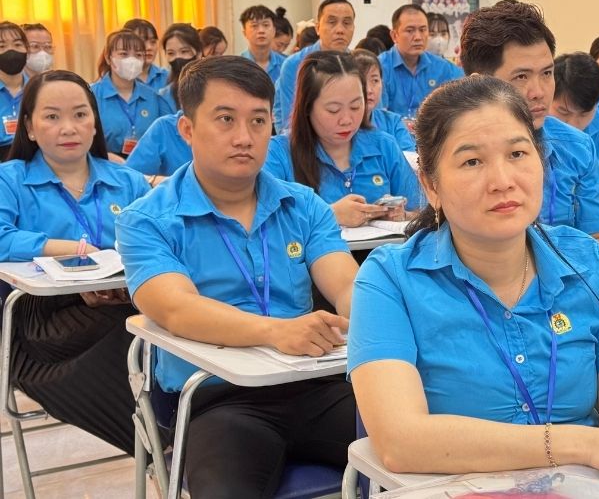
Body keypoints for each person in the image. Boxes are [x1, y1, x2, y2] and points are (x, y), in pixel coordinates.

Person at [348, 76, 599, 498]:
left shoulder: (589, 266)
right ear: (431, 186)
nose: (502, 180)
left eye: (518, 153)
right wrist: (580, 443)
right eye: (472, 162)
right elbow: (401, 442)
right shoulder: (389, 279)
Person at [115, 56, 358, 498]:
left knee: (422, 456)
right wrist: (275, 331)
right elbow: (174, 307)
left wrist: (367, 319)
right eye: (225, 119)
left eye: (258, 121)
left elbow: (345, 285)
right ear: (187, 130)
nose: (244, 138)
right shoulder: (147, 219)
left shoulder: (302, 205)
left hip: (312, 384)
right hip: (218, 399)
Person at [0, 69, 152, 455]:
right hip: (40, 322)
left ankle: (181, 431)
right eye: (52, 117)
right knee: (138, 335)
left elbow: (158, 241)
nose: (68, 127)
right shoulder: (10, 179)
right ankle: (159, 443)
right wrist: (69, 249)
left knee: (164, 327)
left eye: (80, 115)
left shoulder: (127, 181)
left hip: (123, 299)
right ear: (30, 127)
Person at [459, 0, 599, 261]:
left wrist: (542, 262)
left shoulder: (576, 147)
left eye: (546, 73)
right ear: (478, 84)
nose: (539, 92)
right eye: (521, 77)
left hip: (566, 291)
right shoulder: (451, 155)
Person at [264, 51, 421, 228]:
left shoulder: (384, 146)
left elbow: (422, 211)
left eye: (355, 106)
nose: (346, 120)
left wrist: (402, 215)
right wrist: (330, 214)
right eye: (333, 110)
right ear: (307, 107)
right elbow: (263, 220)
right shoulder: (279, 153)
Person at [126, 24, 202, 180]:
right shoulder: (164, 101)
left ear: (199, 53)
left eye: (184, 51)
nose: (178, 58)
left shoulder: (217, 91)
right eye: (171, 53)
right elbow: (134, 172)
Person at [275, 0, 356, 132]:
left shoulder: (359, 64)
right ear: (318, 28)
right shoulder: (294, 65)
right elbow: (289, 122)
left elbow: (374, 116)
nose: (340, 30)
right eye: (332, 22)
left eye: (347, 23)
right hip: (306, 142)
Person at [90, 30, 172, 157]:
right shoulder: (92, 95)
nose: (132, 60)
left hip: (146, 166)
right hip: (105, 165)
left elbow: (166, 136)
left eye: (138, 55)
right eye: (124, 54)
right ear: (108, 57)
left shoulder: (153, 97)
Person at [378, 4, 463, 118]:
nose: (418, 37)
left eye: (423, 30)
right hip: (393, 134)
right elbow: (377, 117)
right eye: (410, 31)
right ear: (394, 35)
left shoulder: (443, 68)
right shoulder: (380, 67)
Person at [549, 52, 599, 187]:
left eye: (584, 114)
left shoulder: (596, 123)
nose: (573, 125)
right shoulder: (534, 127)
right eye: (563, 112)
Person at [353, 48, 415, 152]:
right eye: (361, 81)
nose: (369, 90)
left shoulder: (393, 122)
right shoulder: (342, 125)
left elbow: (410, 159)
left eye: (375, 80)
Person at [0, 22, 29, 158]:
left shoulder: (40, 89)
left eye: (17, 45)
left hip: (36, 159)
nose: (11, 51)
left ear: (27, 50)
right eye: (2, 46)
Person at [239, 5, 286, 83]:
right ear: (244, 33)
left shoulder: (286, 64)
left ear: (274, 31)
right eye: (254, 26)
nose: (261, 30)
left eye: (266, 25)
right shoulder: (238, 65)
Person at [123, 18, 169, 91]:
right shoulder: (117, 80)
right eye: (142, 41)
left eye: (153, 42)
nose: (149, 47)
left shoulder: (167, 77)